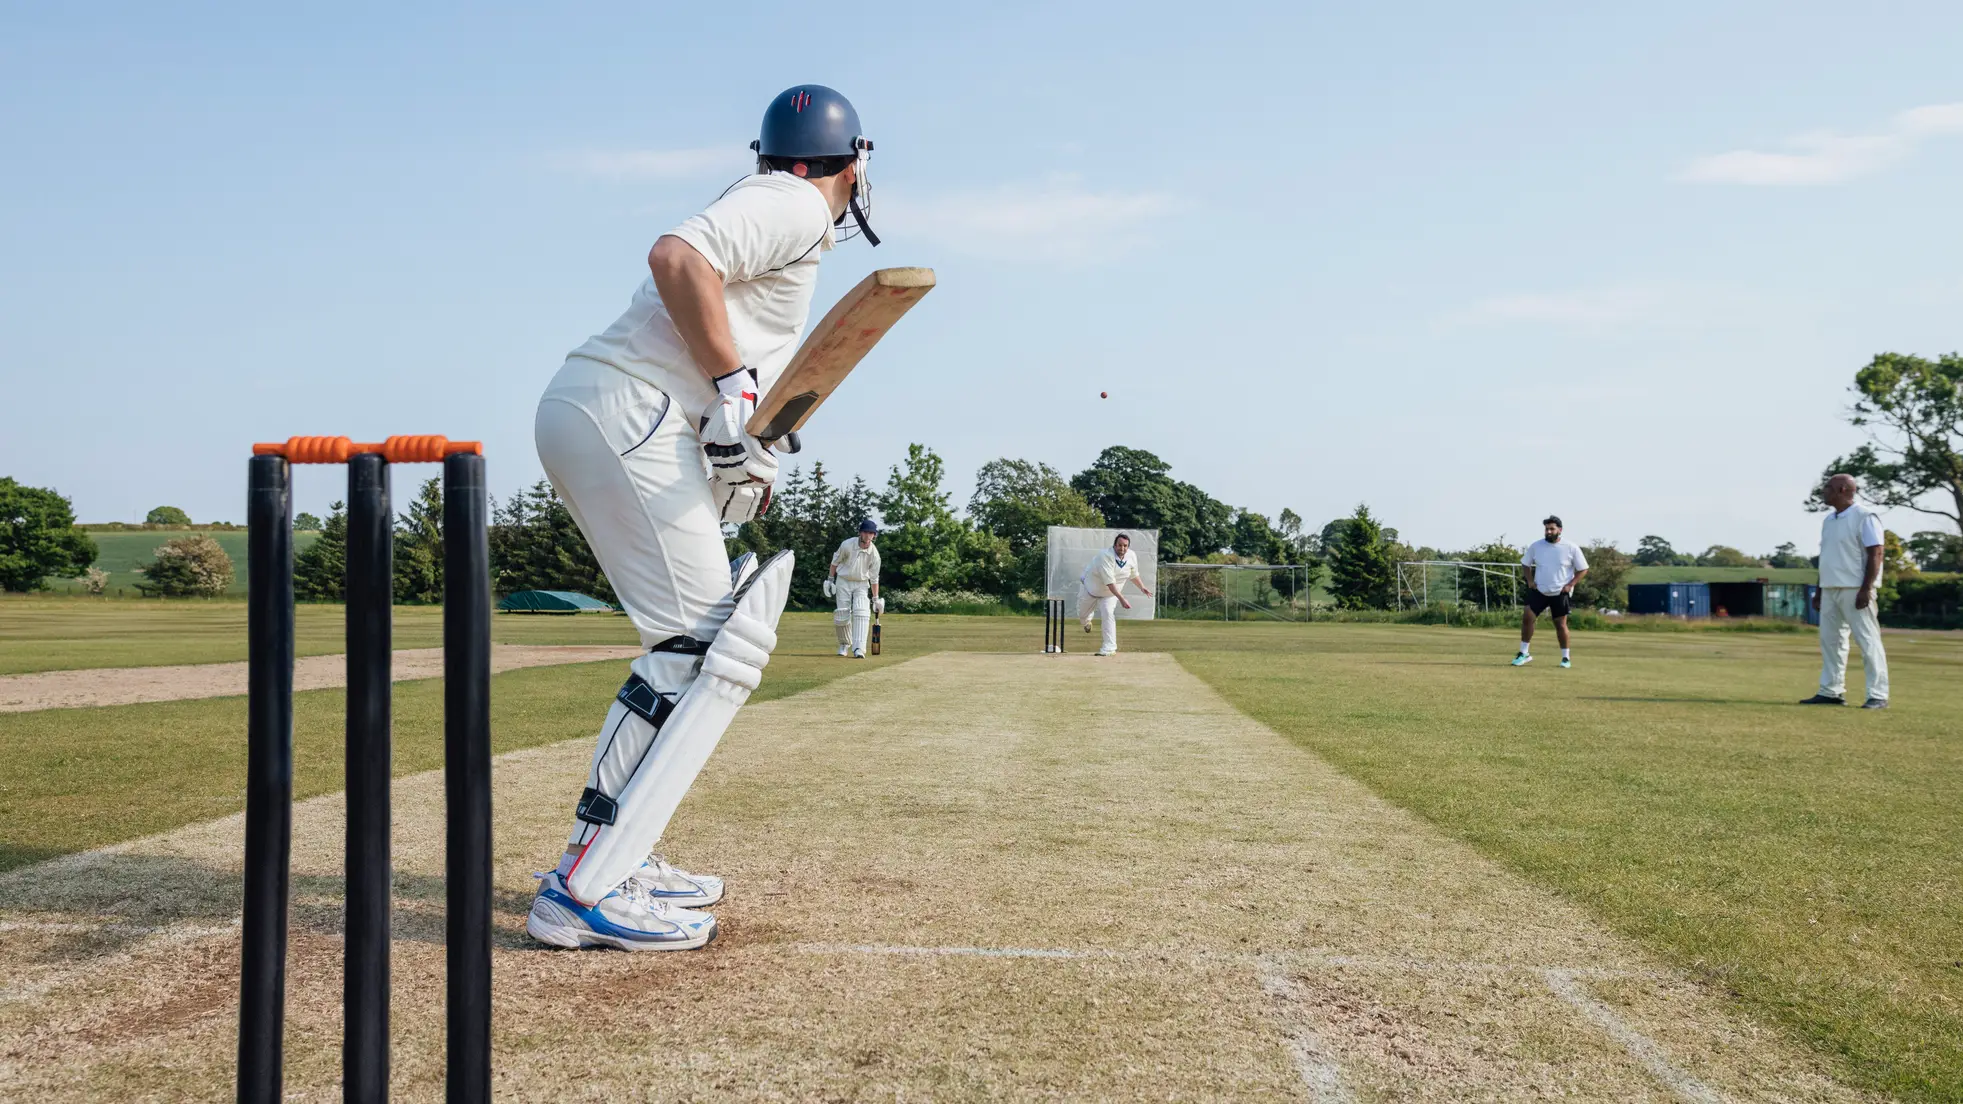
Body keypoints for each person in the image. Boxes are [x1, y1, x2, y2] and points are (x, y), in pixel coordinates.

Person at [524, 85, 881, 951]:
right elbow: (676, 257)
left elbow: (714, 334)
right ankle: (583, 887)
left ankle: (615, 851)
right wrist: (731, 386)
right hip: (625, 409)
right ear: (854, 162)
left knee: (686, 644)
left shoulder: (782, 204)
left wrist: (738, 435)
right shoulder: (795, 200)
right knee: (695, 648)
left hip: (617, 409)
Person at [1801, 473, 1889, 708]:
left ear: (1842, 490)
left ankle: (1878, 694)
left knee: (1868, 640)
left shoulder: (1865, 517)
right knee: (1830, 642)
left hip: (1855, 587)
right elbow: (1827, 557)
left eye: (1828, 487)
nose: (1824, 492)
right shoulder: (1829, 521)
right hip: (1830, 587)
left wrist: (1866, 588)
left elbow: (1876, 553)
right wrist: (1820, 590)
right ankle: (1831, 691)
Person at [1514, 515, 1588, 668]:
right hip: (1540, 589)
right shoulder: (1536, 546)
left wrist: (1570, 585)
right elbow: (1525, 564)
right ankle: (1524, 653)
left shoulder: (1571, 547)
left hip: (1560, 591)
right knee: (1527, 616)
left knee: (1560, 624)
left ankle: (1565, 658)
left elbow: (1583, 569)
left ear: (1560, 530)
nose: (1548, 532)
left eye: (1552, 529)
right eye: (1546, 529)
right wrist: (1530, 581)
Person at [1078, 533, 1152, 657]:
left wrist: (1142, 587)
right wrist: (1122, 599)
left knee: (1108, 613)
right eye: (1119, 545)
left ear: (1128, 547)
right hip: (1090, 589)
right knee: (1082, 615)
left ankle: (1109, 648)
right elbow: (1109, 582)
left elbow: (1133, 574)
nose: (1122, 548)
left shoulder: (1131, 556)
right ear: (1114, 545)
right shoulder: (1105, 556)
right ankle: (1087, 622)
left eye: (1125, 546)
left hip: (1110, 594)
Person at [826, 519, 882, 658]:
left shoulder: (874, 554)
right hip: (843, 580)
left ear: (874, 535)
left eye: (871, 533)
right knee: (842, 613)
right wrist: (830, 580)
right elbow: (835, 562)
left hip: (861, 583)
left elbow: (874, 578)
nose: (868, 536)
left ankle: (859, 649)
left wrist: (875, 599)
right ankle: (844, 644)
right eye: (866, 532)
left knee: (862, 612)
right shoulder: (847, 545)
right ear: (860, 533)